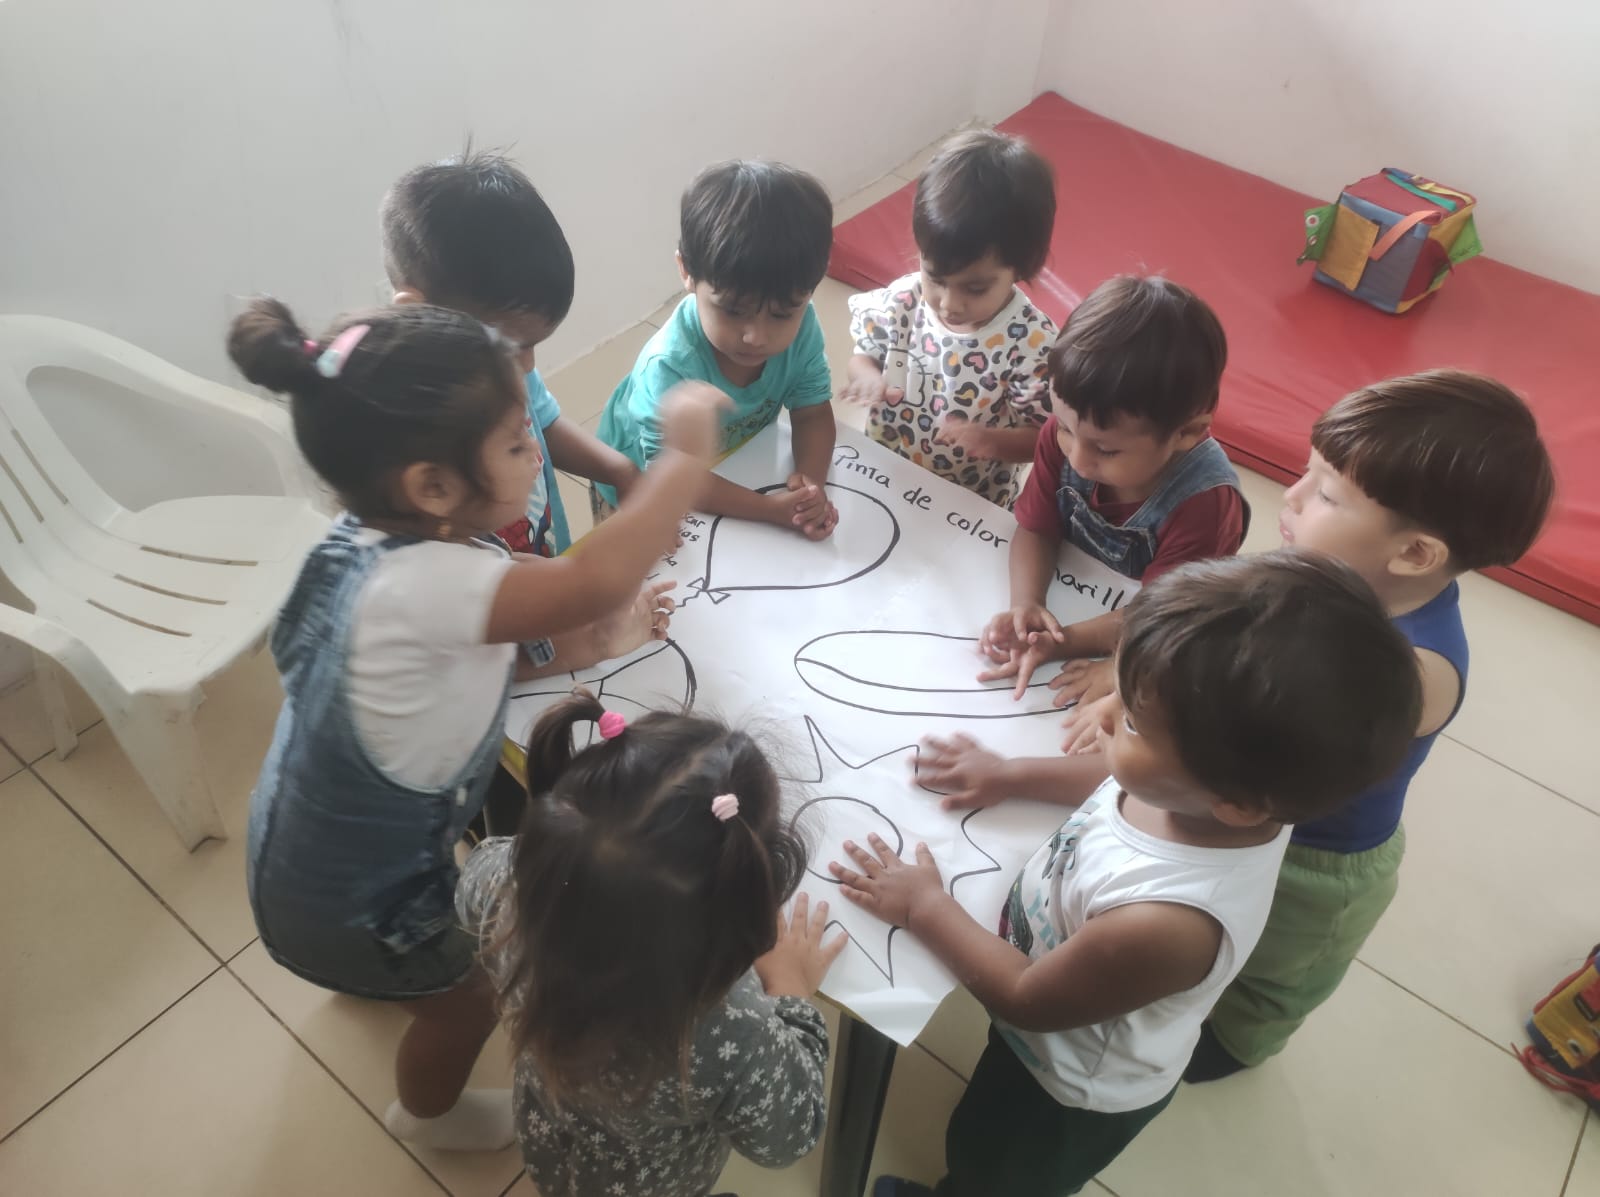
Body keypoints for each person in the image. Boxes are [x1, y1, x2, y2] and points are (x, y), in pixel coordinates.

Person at [230, 298, 722, 1151]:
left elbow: (521, 602)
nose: (537, 452)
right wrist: (683, 461)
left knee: (401, 963)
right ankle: (428, 1117)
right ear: (432, 485)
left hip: (297, 844)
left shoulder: (366, 543)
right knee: (471, 1000)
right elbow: (590, 581)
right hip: (360, 894)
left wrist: (600, 634)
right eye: (517, 443)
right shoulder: (427, 585)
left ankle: (367, 975)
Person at [846, 551, 1422, 1196]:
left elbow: (1027, 999)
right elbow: (1122, 778)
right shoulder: (1223, 792)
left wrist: (924, 906)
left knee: (990, 1170)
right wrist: (1010, 775)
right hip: (1057, 1002)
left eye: (1134, 721)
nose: (1105, 714)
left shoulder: (1166, 923)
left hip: (1062, 1092)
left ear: (1235, 802)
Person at [1182, 370, 1556, 1082]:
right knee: (1219, 925)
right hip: (1268, 816)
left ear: (1415, 554)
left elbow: (1279, 730)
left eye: (1325, 493)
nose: (1292, 495)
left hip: (1321, 861)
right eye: (1307, 471)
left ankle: (1238, 1043)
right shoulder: (1326, 565)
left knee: (1277, 967)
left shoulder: (1416, 671)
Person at [457, 692, 846, 1195]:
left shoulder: (505, 892)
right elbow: (788, 1137)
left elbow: (474, 883)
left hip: (549, 1146)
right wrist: (791, 989)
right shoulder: (731, 1030)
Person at [977, 275, 1246, 714]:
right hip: (1077, 594)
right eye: (1066, 429)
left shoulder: (1206, 505)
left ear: (1187, 432)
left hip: (1149, 627)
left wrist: (1063, 643)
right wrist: (1026, 603)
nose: (1078, 459)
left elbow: (1164, 616)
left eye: (1106, 450)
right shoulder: (1068, 433)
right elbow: (1036, 528)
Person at [382, 150, 639, 557]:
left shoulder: (498, 363)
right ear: (418, 312)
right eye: (513, 346)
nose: (528, 365)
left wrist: (619, 470)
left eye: (534, 345)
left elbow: (545, 424)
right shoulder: (407, 438)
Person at [594, 159, 840, 539]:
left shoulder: (804, 327)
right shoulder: (669, 365)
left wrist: (810, 486)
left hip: (728, 464)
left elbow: (812, 414)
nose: (756, 336)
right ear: (686, 272)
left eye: (781, 314)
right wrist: (768, 509)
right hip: (639, 482)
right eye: (733, 311)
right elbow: (674, 477)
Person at [842, 129, 1058, 507]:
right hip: (884, 471)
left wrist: (992, 441)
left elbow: (1047, 437)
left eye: (975, 288)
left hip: (968, 501)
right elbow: (864, 355)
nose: (948, 304)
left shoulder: (1031, 343)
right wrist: (866, 378)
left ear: (1021, 267)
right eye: (936, 279)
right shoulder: (903, 301)